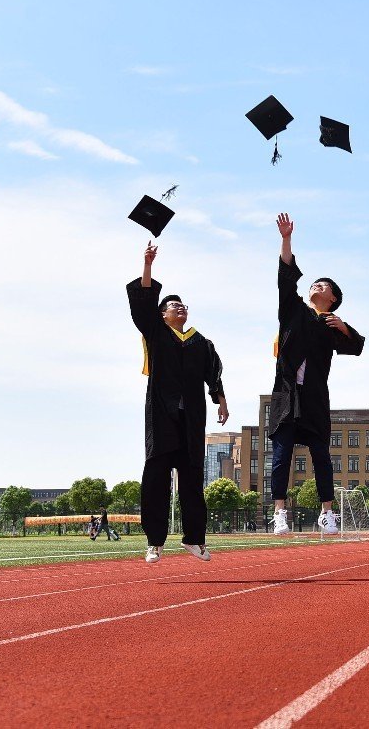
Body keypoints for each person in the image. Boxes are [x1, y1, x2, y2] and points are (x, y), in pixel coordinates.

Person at [127, 241, 229, 564]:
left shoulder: (200, 342)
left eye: (183, 305)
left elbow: (214, 372)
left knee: (192, 482)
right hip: (161, 418)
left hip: (191, 422)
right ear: (162, 313)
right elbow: (143, 304)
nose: (180, 308)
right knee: (156, 479)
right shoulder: (156, 334)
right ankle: (155, 542)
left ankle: (194, 539)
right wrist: (147, 266)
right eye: (174, 305)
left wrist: (221, 400)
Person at [268, 213, 365, 537]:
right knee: (281, 456)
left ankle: (328, 514)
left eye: (322, 285)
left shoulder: (331, 324)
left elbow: (357, 347)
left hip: (314, 399)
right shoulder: (294, 310)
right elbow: (285, 278)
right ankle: (279, 512)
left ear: (333, 298)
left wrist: (346, 329)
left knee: (322, 457)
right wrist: (286, 239)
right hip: (285, 395)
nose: (315, 286)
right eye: (313, 283)